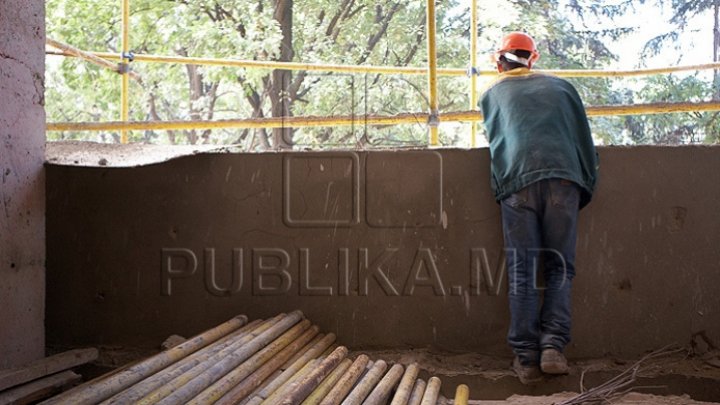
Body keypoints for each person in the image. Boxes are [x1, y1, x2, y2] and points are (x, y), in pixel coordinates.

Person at [479, 32, 599, 384]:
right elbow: (584, 141)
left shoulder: (491, 93)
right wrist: (584, 185)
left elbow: (499, 143)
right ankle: (553, 349)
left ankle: (526, 358)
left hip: (518, 182)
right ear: (533, 59)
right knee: (559, 267)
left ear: (498, 61)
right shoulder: (563, 88)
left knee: (522, 271)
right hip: (564, 178)